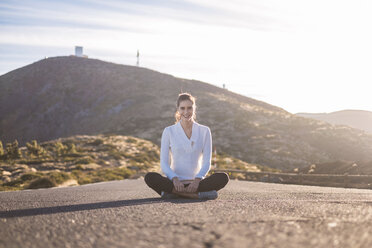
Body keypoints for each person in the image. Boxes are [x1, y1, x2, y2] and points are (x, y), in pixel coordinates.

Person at [145, 93, 229, 200]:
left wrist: (197, 181)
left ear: (194, 108)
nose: (186, 112)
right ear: (178, 110)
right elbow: (164, 163)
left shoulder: (204, 131)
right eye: (182, 108)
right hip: (174, 183)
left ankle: (174, 194)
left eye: (189, 108)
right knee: (150, 177)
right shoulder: (169, 131)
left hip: (197, 184)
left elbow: (207, 162)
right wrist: (175, 179)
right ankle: (194, 195)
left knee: (223, 177)